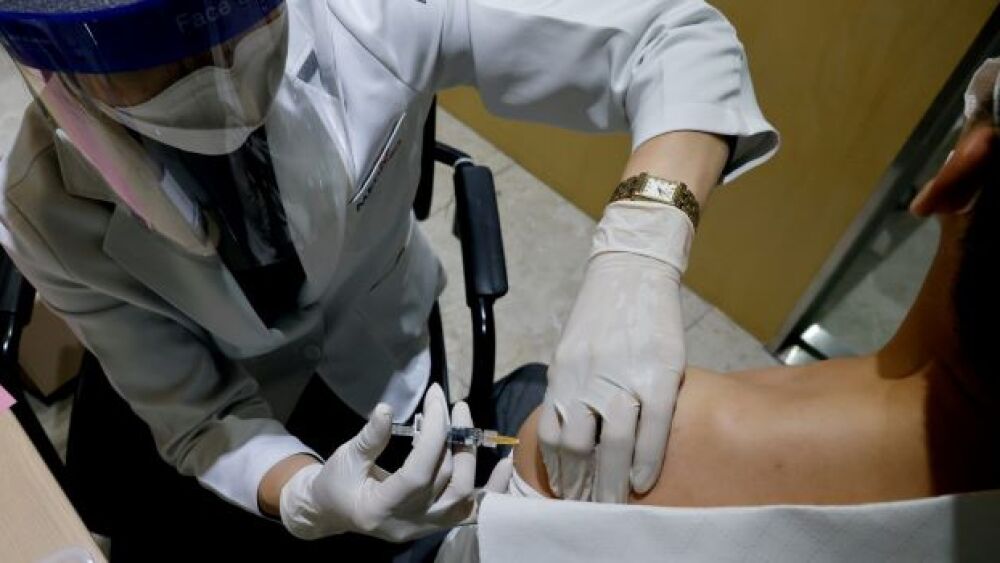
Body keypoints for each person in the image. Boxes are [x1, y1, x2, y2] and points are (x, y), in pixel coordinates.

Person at [0, 0, 777, 556]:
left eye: (222, 28)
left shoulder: (367, 13)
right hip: (226, 402)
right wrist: (301, 495)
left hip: (383, 346)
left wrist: (640, 248)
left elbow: (676, 39)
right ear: (62, 71)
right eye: (149, 65)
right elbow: (200, 416)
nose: (207, 72)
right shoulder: (45, 207)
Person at [502, 57, 1000, 511]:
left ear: (960, 171)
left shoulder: (634, 438)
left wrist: (637, 240)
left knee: (522, 392)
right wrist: (639, 244)